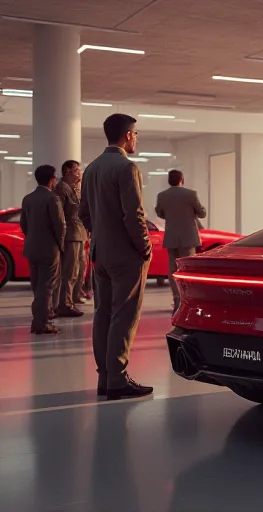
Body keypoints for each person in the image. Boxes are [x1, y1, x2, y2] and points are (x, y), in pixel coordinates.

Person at [79, 113, 154, 400]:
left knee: (103, 315)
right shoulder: (126, 168)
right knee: (124, 316)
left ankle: (105, 378)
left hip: (100, 253)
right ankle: (118, 380)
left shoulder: (92, 168)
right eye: (136, 134)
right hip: (126, 256)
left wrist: (99, 235)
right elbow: (133, 215)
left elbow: (84, 213)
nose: (136, 139)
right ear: (128, 135)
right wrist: (144, 247)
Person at [20, 165, 65, 335]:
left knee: (37, 286)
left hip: (32, 248)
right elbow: (60, 226)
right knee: (46, 287)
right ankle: (42, 323)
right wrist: (60, 246)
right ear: (52, 179)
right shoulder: (52, 199)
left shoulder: (28, 199)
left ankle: (38, 320)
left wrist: (32, 238)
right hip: (49, 249)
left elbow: (23, 224)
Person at [155, 169, 207, 314]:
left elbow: (160, 213)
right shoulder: (191, 194)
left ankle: (177, 298)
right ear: (181, 179)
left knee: (173, 271)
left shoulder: (162, 195)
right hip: (188, 238)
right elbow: (202, 213)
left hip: (171, 237)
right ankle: (188, 299)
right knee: (188, 270)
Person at [52, 160, 86, 318]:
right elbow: (61, 214)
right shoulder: (62, 188)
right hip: (70, 235)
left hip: (78, 233)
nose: (79, 173)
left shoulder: (73, 188)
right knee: (69, 271)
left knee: (77, 270)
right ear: (67, 172)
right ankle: (64, 304)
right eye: (76, 170)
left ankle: (71, 299)